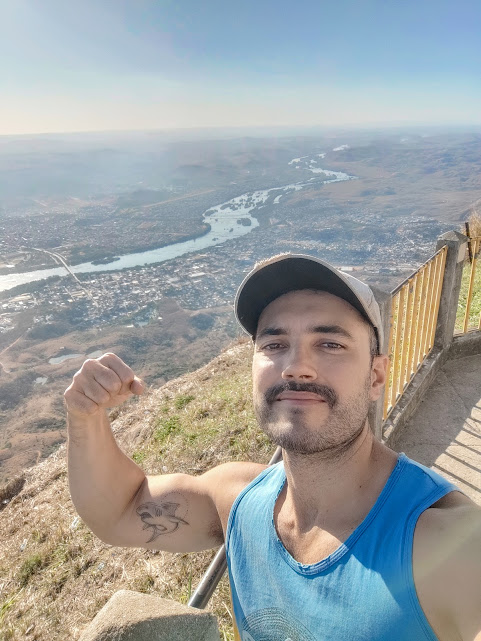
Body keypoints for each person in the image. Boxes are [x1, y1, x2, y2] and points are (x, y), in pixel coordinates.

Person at [65, 253, 481, 641]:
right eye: (274, 344)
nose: (296, 365)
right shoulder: (237, 501)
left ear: (375, 376)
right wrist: (85, 419)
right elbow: (118, 513)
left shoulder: (446, 543)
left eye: (330, 344)